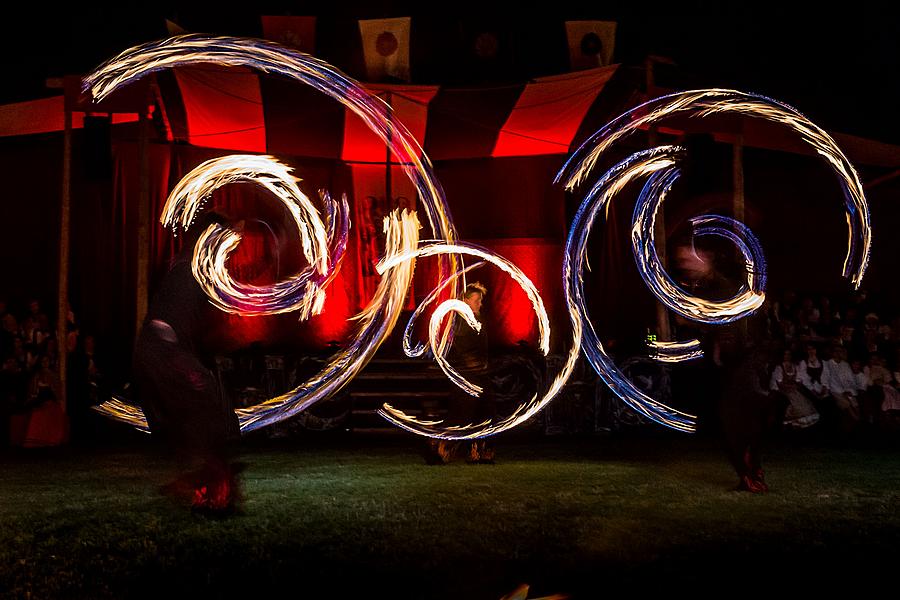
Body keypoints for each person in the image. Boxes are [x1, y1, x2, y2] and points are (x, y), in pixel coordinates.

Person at [132, 211, 242, 515]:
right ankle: (209, 489)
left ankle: (204, 484)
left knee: (207, 410)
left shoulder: (193, 266)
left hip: (160, 351)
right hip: (163, 351)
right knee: (206, 407)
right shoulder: (192, 266)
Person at [426, 282, 495, 465]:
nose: (480, 304)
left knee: (484, 411)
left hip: (480, 374)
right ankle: (439, 448)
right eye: (477, 300)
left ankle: (478, 452)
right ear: (465, 301)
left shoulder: (480, 319)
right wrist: (469, 361)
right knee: (462, 414)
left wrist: (484, 363)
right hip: (465, 375)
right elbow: (458, 344)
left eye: (480, 300)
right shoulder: (459, 321)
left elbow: (483, 346)